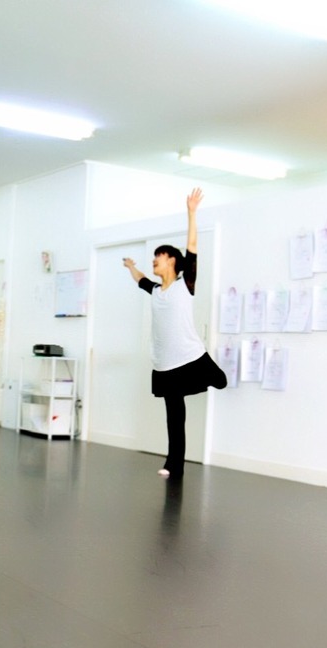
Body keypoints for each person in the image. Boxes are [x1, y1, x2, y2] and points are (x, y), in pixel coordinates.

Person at [122, 188, 226, 479]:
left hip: (191, 355)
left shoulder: (185, 285)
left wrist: (191, 213)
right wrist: (131, 267)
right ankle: (173, 464)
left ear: (172, 261)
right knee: (175, 417)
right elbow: (140, 279)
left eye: (160, 256)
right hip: (166, 363)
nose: (155, 259)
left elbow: (192, 246)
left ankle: (215, 374)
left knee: (220, 381)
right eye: (154, 256)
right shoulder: (156, 291)